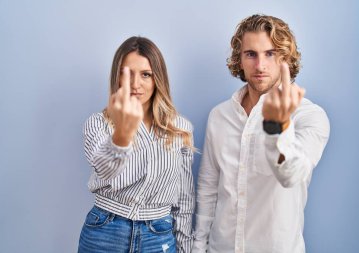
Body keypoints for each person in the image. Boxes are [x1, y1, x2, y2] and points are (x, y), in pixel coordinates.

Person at [192, 14, 330, 253]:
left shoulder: (309, 116)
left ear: (285, 59)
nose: (260, 65)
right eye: (251, 54)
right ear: (240, 59)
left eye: (270, 53)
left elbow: (291, 175)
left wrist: (278, 126)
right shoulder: (219, 116)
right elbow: (208, 188)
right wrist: (197, 247)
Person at [78, 36, 195, 253]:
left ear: (157, 78)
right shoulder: (97, 123)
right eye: (127, 73)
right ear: (117, 77)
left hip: (158, 234)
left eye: (146, 74)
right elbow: (105, 170)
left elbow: (184, 200)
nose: (135, 84)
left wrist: (185, 247)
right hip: (105, 231)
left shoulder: (180, 128)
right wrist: (123, 133)